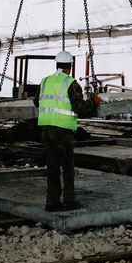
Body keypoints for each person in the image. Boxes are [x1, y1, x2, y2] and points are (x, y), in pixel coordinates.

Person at [34, 50, 86, 211]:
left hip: (46, 129)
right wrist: (93, 102)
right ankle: (69, 201)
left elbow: (37, 102)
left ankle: (52, 203)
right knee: (68, 168)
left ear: (57, 64)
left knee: (52, 167)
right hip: (63, 130)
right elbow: (80, 108)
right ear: (70, 66)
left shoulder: (45, 81)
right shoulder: (71, 83)